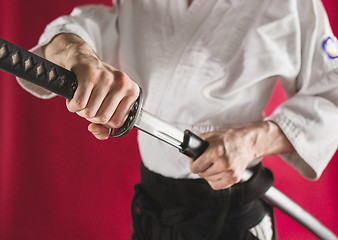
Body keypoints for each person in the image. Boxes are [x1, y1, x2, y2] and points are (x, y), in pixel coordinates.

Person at [17, 0, 338, 239]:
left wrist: (252, 140)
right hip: (155, 205)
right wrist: (77, 53)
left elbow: (333, 94)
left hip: (231, 207)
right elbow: (94, 24)